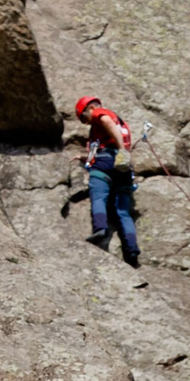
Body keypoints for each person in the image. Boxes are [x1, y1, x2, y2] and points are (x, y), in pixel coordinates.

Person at [73, 95, 139, 267]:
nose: (86, 123)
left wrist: (121, 150)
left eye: (84, 118)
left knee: (98, 195)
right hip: (123, 168)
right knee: (123, 211)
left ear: (90, 109)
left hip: (107, 161)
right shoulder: (121, 123)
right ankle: (132, 250)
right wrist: (83, 157)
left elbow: (107, 123)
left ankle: (100, 229)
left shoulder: (100, 114)